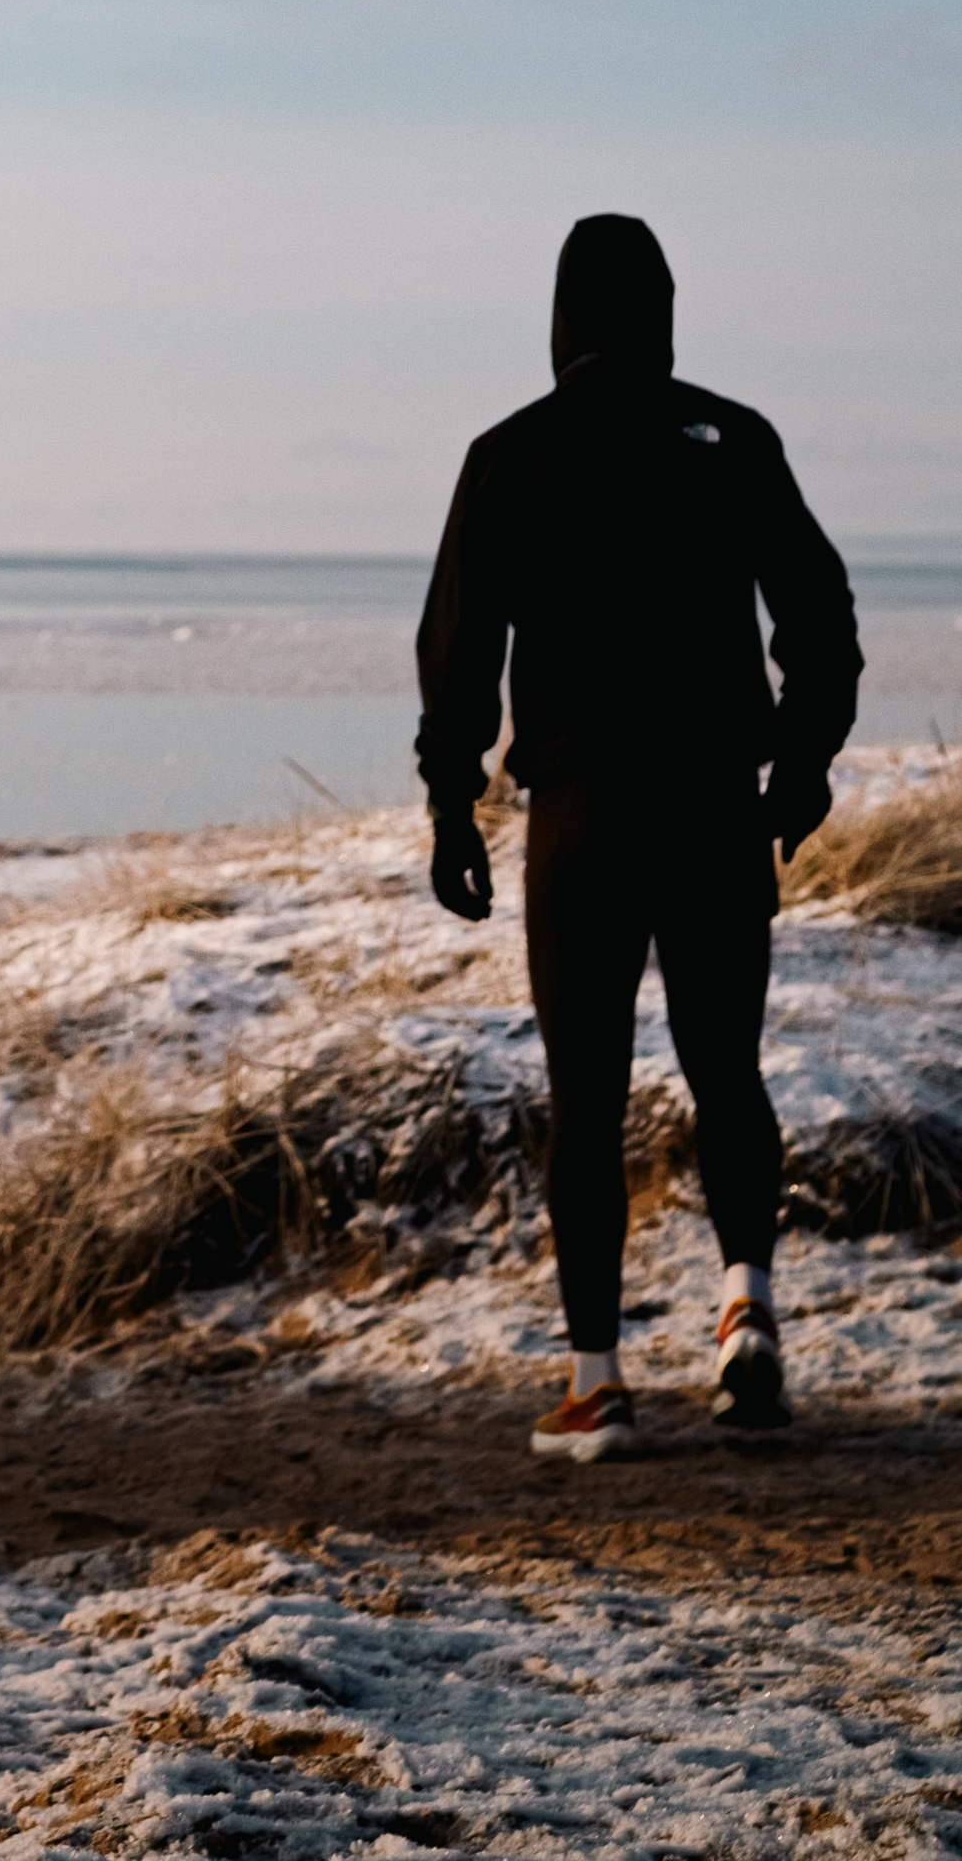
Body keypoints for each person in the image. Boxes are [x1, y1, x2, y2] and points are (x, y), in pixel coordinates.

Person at [416, 213, 862, 1462]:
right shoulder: (731, 438)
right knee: (727, 1070)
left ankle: (597, 1382)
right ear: (662, 310)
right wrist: (804, 756)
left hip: (579, 819)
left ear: (561, 317)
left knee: (586, 1098)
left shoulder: (510, 455)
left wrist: (453, 803)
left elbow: (458, 652)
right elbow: (819, 612)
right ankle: (745, 1306)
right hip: (717, 803)